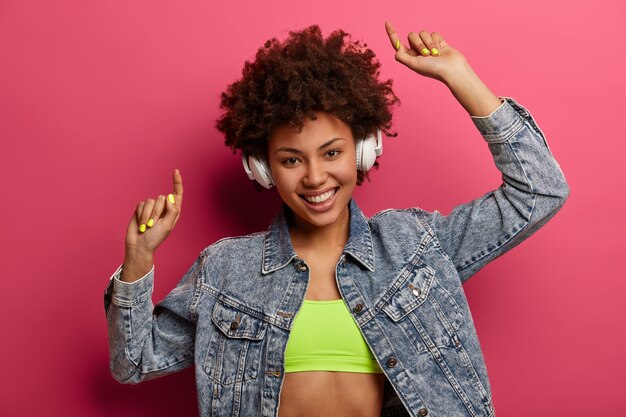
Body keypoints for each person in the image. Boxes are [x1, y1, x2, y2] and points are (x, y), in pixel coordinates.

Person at [104, 21, 569, 417]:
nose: (314, 177)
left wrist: (460, 76)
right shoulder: (226, 270)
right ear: (262, 168)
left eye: (332, 153)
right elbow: (134, 362)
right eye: (291, 160)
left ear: (364, 149)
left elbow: (540, 192)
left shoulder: (415, 247)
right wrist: (139, 257)